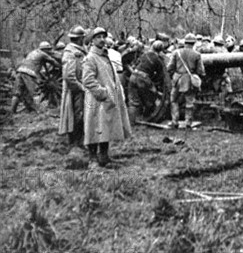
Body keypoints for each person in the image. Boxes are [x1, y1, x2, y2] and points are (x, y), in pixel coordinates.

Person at [82, 27, 132, 167]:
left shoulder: (105, 55)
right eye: (98, 37)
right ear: (92, 40)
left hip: (107, 99)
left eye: (103, 36)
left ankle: (104, 157)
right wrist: (103, 93)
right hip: (95, 100)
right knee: (94, 128)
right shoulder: (90, 58)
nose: (102, 39)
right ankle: (92, 160)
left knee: (106, 128)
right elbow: (88, 80)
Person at [10, 41, 61, 114]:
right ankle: (34, 110)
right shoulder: (43, 54)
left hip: (20, 71)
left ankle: (13, 111)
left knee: (17, 92)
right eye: (48, 49)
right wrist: (60, 66)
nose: (49, 51)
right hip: (29, 73)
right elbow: (52, 61)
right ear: (44, 49)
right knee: (29, 92)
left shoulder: (33, 52)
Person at [167, 33, 205, 129]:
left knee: (173, 100)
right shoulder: (197, 54)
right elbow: (201, 71)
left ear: (185, 42)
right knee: (189, 102)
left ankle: (174, 121)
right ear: (194, 43)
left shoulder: (176, 52)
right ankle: (188, 122)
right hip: (189, 80)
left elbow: (169, 67)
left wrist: (174, 75)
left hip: (177, 79)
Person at [58, 26, 87, 148]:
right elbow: (69, 76)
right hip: (75, 90)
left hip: (80, 87)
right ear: (80, 39)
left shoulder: (80, 50)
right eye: (83, 38)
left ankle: (79, 140)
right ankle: (76, 142)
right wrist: (81, 88)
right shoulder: (70, 53)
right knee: (77, 116)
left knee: (81, 115)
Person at [128, 40, 167, 125]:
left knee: (133, 102)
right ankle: (148, 118)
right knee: (151, 97)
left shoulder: (144, 54)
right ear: (160, 50)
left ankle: (132, 122)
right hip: (143, 78)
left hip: (133, 75)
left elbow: (136, 64)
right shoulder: (158, 60)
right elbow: (161, 76)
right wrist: (154, 82)